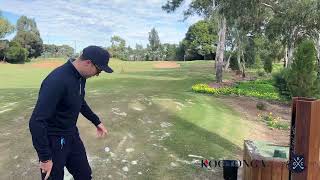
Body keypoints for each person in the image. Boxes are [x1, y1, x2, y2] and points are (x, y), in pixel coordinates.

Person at [29, 45, 113, 180]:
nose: (98, 74)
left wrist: (96, 121)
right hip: (54, 140)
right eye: (98, 70)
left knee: (85, 175)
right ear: (88, 63)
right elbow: (36, 121)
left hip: (71, 135)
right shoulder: (57, 80)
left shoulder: (80, 77)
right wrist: (45, 158)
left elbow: (79, 101)